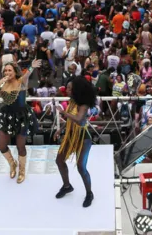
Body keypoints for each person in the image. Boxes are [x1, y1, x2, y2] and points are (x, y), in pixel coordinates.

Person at [0, 59, 40, 183]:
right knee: (1, 145)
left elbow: (27, 74)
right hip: (7, 116)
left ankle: (22, 170)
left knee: (20, 146)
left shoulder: (21, 81)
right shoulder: (2, 83)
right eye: (5, 70)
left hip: (21, 116)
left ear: (14, 71)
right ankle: (12, 164)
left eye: (9, 70)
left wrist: (31, 67)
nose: (7, 72)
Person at [55, 75, 98, 207]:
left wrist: (63, 113)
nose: (66, 90)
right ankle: (67, 186)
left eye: (69, 88)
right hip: (70, 136)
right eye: (66, 88)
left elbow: (79, 120)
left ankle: (89, 193)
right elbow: (70, 119)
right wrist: (60, 129)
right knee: (59, 160)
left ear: (77, 90)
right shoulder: (72, 101)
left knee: (81, 167)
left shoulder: (83, 105)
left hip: (82, 138)